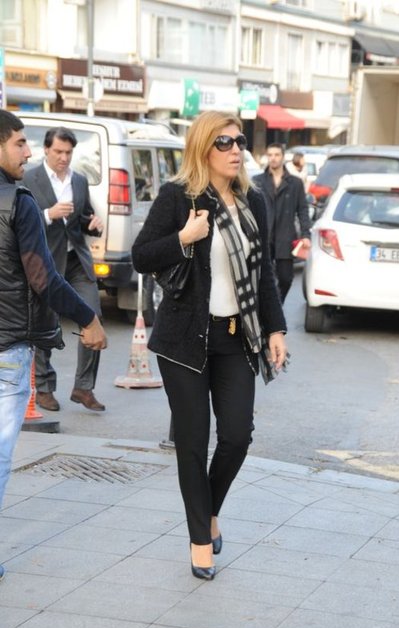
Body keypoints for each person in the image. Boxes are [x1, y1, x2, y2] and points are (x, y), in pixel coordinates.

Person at [132, 111, 288, 581]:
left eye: (239, 141)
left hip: (238, 337)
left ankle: (210, 510)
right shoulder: (178, 197)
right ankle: (200, 539)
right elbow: (141, 255)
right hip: (184, 340)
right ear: (203, 148)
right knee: (193, 442)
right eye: (224, 142)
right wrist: (184, 237)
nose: (235, 149)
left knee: (237, 436)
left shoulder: (253, 201)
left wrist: (276, 329)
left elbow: (264, 274)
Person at [0, 109, 107, 581]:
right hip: (7, 349)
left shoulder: (33, 194)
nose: (27, 152)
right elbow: (42, 278)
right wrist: (88, 318)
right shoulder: (18, 202)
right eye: (19, 142)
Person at [23, 127, 105, 412]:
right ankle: (44, 387)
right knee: (45, 323)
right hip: (45, 261)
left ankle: (84, 387)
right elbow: (19, 218)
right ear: (46, 149)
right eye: (58, 151)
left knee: (93, 316)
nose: (64, 157)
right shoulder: (29, 178)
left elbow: (83, 217)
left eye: (68, 152)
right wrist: (48, 214)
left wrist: (93, 225)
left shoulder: (79, 180)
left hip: (76, 260)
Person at [253, 143, 311, 306]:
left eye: (277, 155)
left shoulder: (295, 183)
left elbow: (302, 210)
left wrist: (306, 235)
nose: (273, 158)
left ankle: (276, 306)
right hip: (263, 236)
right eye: (270, 155)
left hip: (285, 236)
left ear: (283, 157)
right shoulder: (257, 181)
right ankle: (264, 310)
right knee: (261, 277)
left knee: (286, 278)